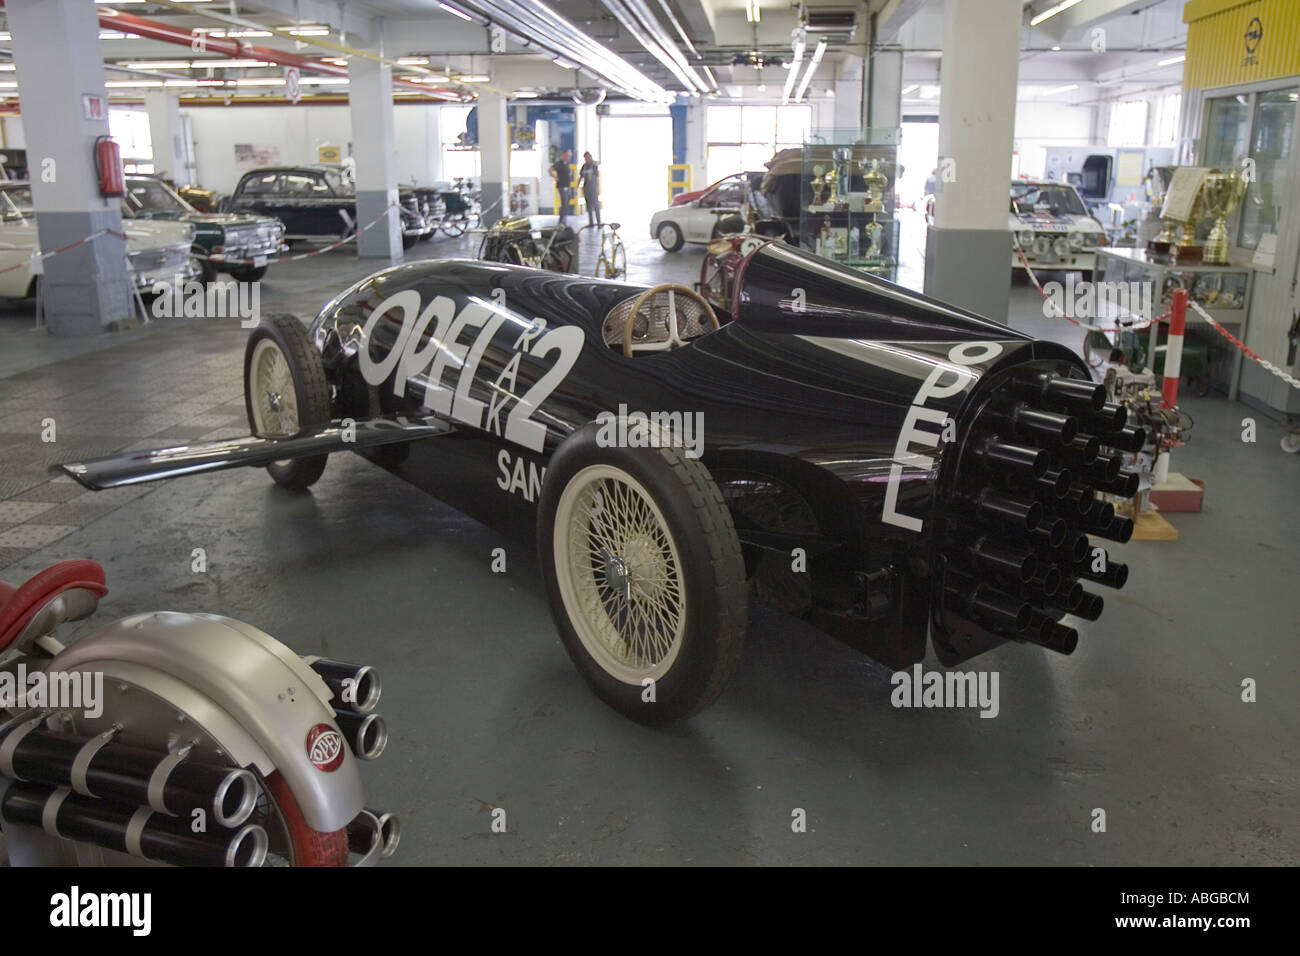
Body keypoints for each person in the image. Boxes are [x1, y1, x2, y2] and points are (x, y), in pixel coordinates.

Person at [550, 149, 574, 225]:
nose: (568, 157)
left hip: (567, 186)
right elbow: (550, 170)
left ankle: (564, 221)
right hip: (562, 187)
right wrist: (555, 177)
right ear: (563, 155)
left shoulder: (566, 164)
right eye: (567, 155)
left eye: (570, 156)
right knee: (564, 205)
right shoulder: (559, 163)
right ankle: (561, 222)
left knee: (566, 205)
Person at [578, 152, 601, 227]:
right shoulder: (584, 166)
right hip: (586, 188)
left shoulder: (594, 165)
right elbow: (581, 176)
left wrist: (595, 162)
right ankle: (591, 223)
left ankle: (599, 223)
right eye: (585, 158)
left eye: (588, 157)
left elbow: (598, 163)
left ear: (591, 157)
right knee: (589, 206)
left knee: (596, 205)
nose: (587, 159)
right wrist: (577, 186)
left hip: (594, 188)